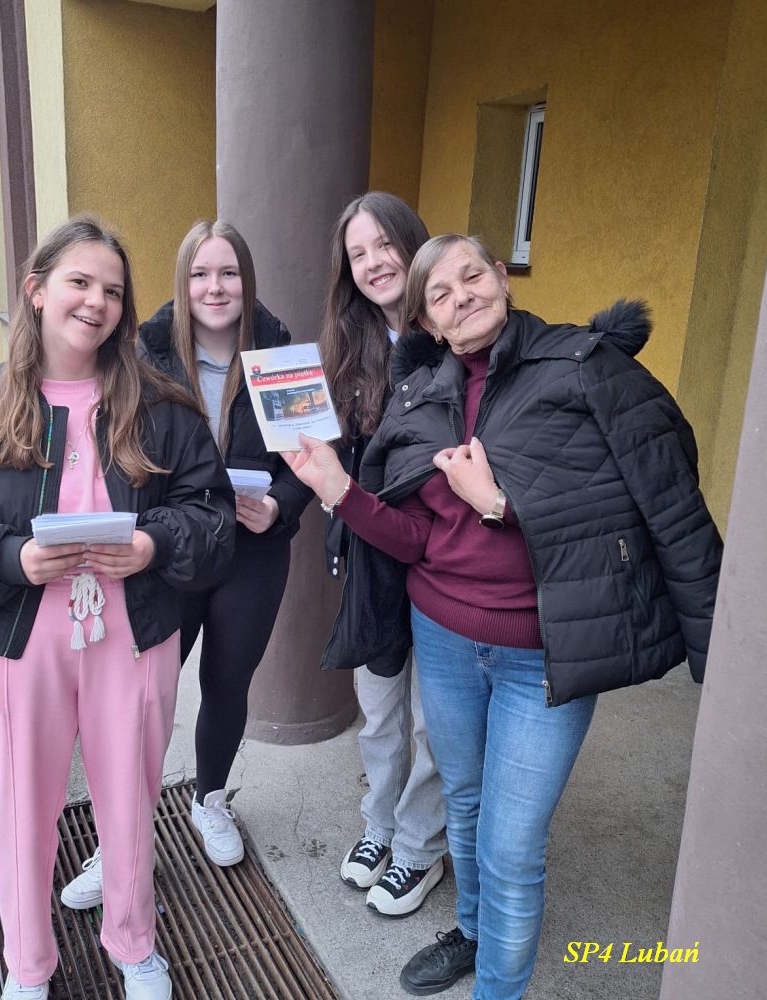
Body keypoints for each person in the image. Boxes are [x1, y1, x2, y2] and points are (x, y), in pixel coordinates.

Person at [284, 233, 723, 999]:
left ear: (501, 278)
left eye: (472, 276)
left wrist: (498, 503)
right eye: (441, 294)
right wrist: (340, 492)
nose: (462, 297)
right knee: (464, 805)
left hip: (541, 656)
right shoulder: (421, 398)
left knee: (512, 848)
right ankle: (473, 931)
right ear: (428, 323)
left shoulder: (583, 367)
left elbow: (663, 501)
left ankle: (497, 986)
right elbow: (416, 538)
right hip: (444, 641)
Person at [0, 215, 235, 1000]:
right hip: (20, 644)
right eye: (80, 282)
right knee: (19, 812)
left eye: (113, 291)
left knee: (130, 804)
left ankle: (133, 942)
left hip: (135, 636)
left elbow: (212, 515)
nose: (97, 302)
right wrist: (11, 558)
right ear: (37, 290)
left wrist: (152, 544)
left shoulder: (162, 406)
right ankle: (29, 965)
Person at [59, 220, 310, 904]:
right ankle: (119, 840)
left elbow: (309, 459)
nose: (214, 287)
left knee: (227, 683)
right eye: (200, 274)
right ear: (183, 281)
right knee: (141, 699)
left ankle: (209, 800)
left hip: (253, 552)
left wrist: (280, 505)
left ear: (246, 280)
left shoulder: (280, 353)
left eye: (228, 273)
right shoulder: (145, 353)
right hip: (171, 548)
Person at [319, 192, 447, 918]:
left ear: (412, 243)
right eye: (357, 253)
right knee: (379, 709)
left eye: (383, 245)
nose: (372, 263)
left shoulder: (454, 333)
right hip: (373, 553)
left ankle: (420, 845)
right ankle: (380, 824)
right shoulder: (350, 345)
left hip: (443, 554)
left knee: (432, 718)